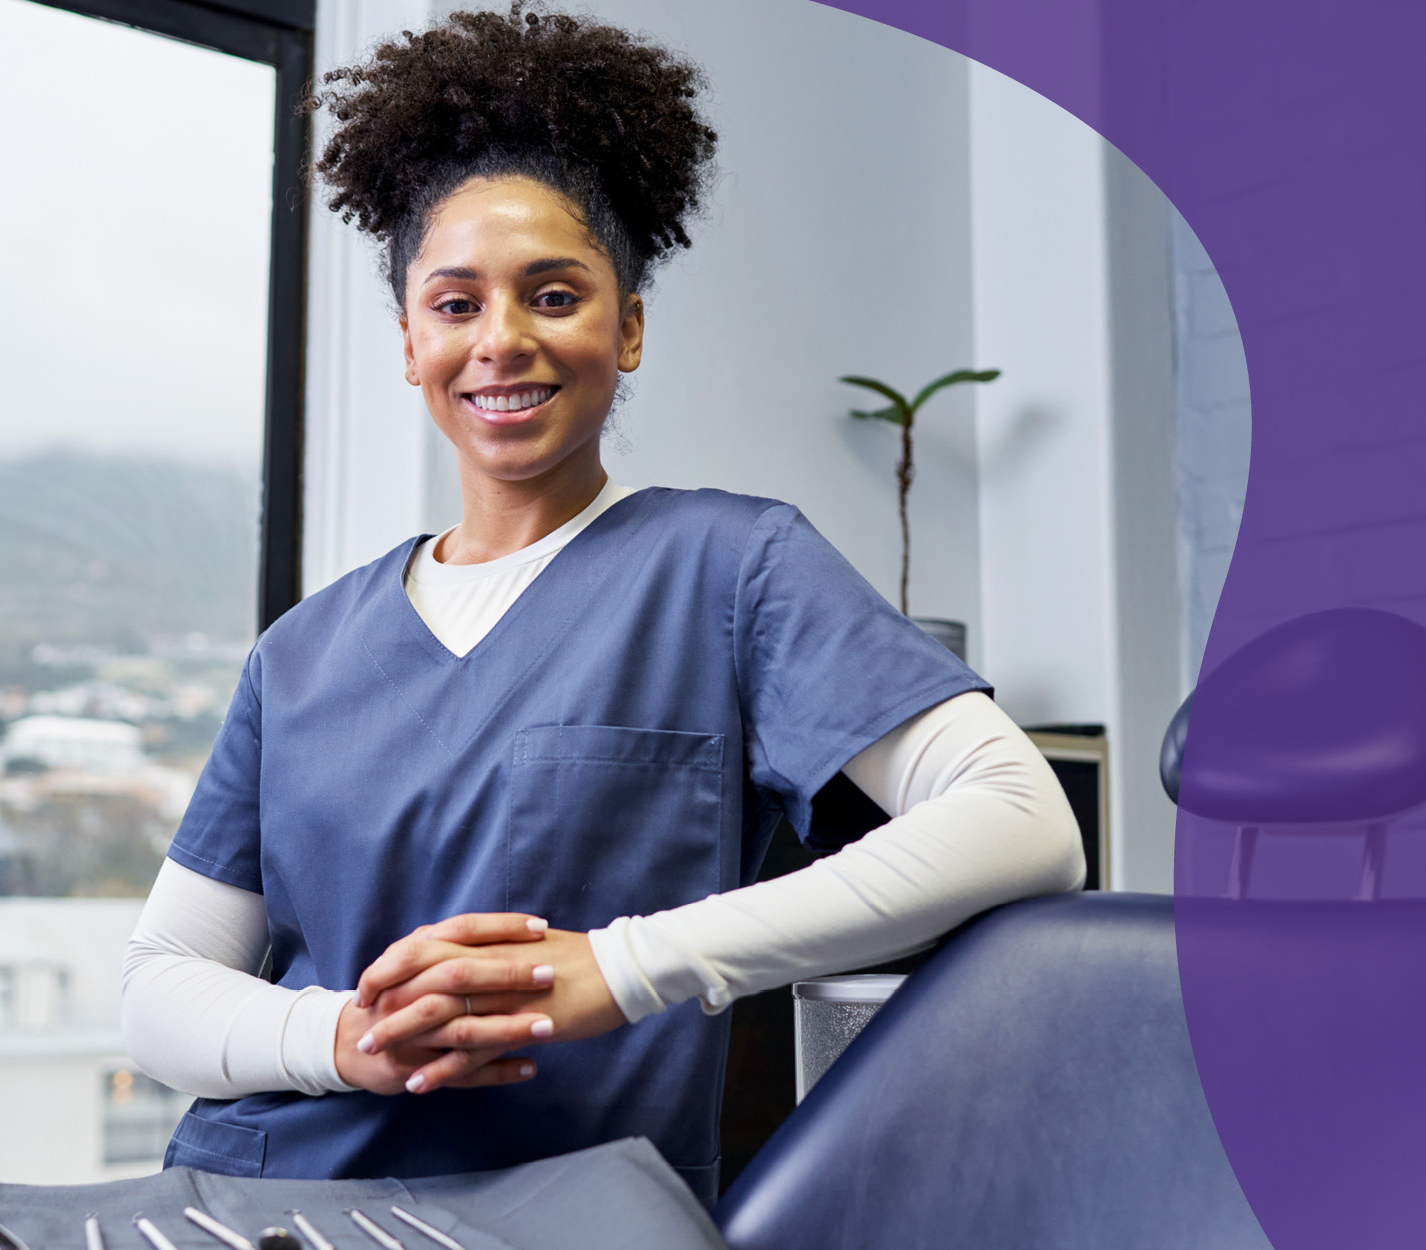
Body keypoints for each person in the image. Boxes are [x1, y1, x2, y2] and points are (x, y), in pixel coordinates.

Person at [120, 4, 1084, 1207]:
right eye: (457, 303)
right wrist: (336, 1039)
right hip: (256, 1194)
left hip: (559, 1210)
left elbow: (1022, 819)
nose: (503, 341)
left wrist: (622, 965)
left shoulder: (732, 568)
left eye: (555, 293)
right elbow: (162, 981)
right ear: (411, 341)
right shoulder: (303, 652)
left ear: (627, 327)